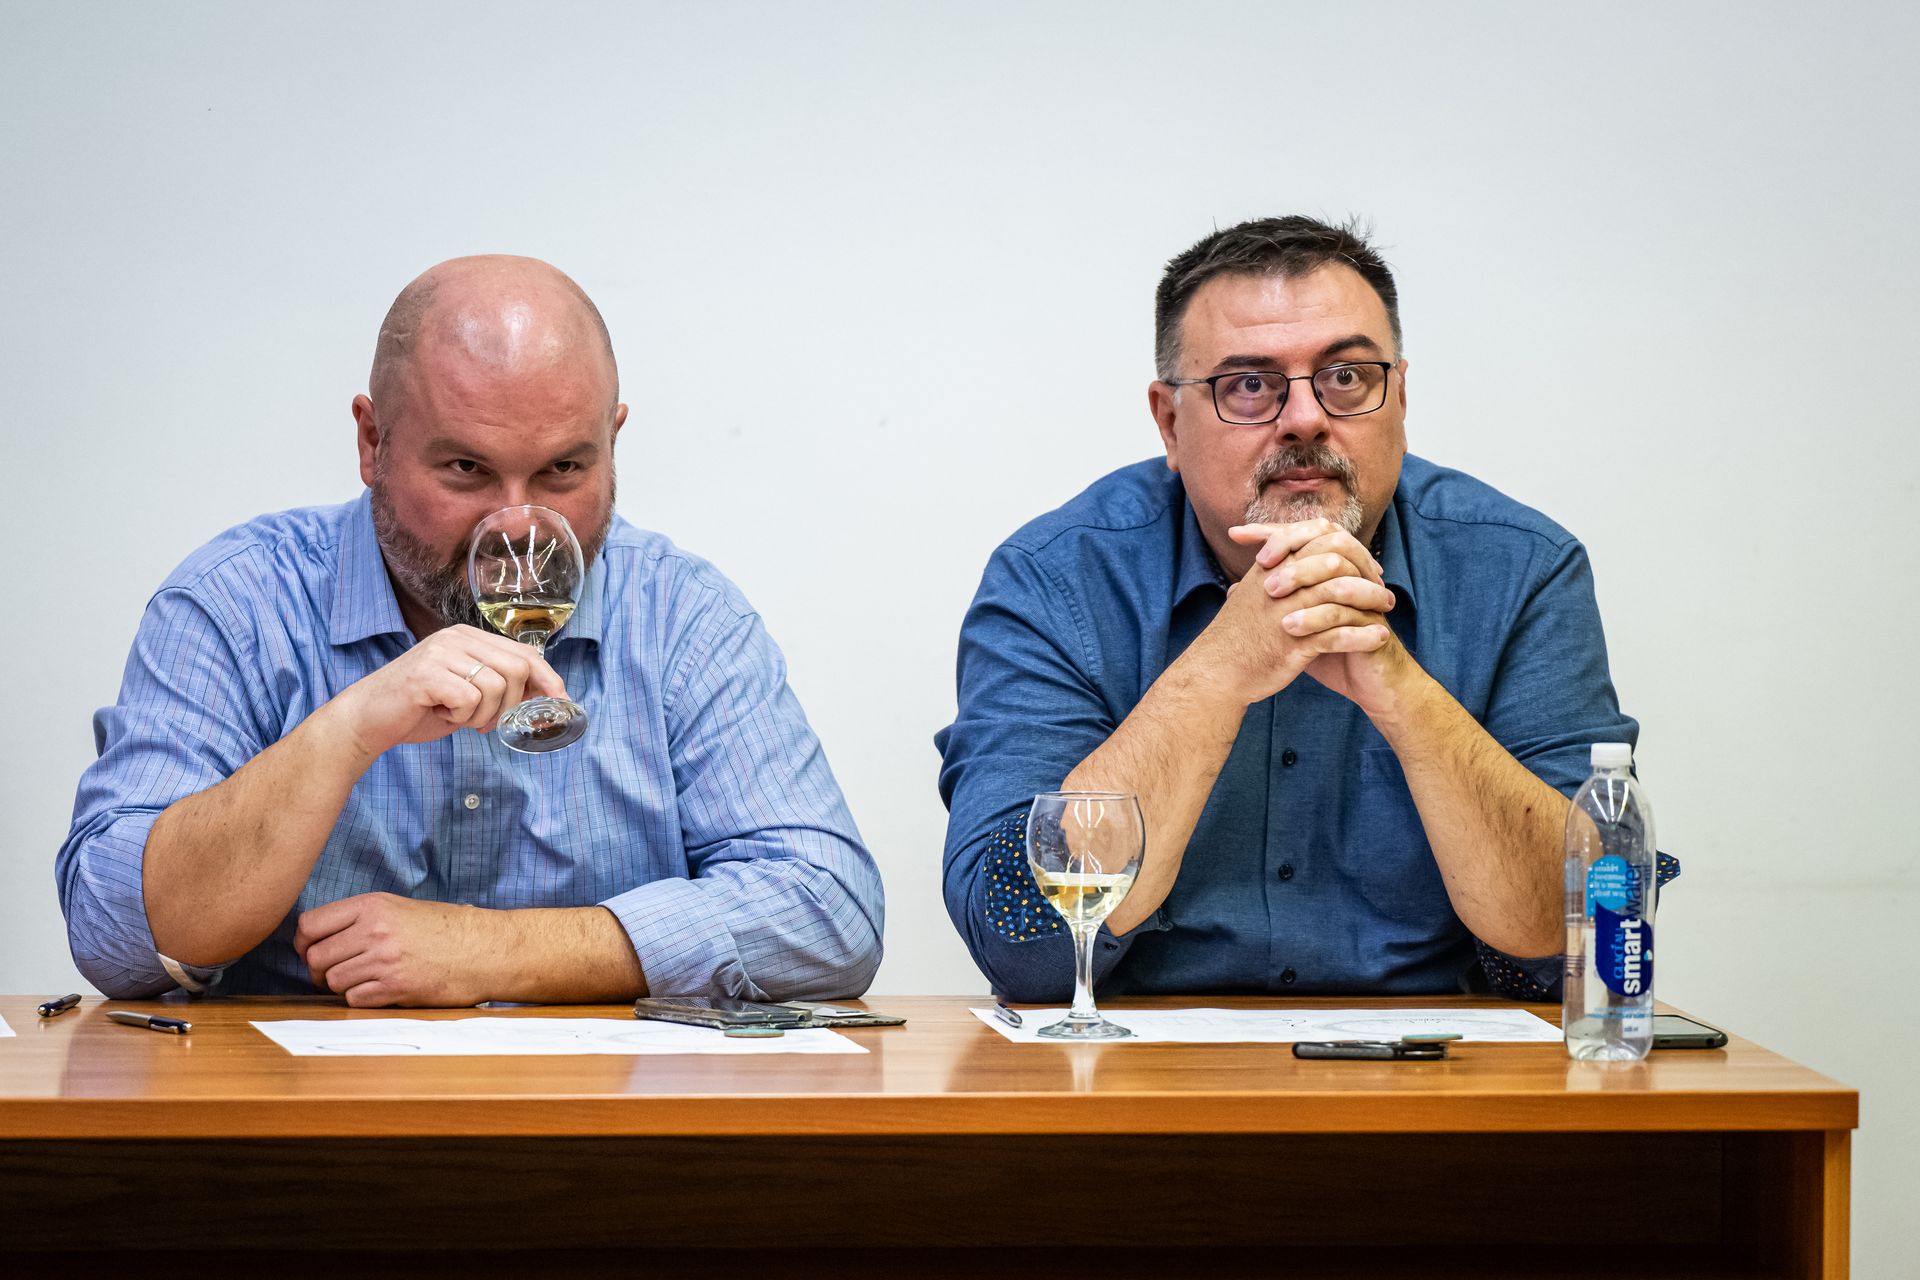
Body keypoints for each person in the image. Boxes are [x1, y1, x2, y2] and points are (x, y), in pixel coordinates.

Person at [59, 256, 883, 1005]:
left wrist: (498, 951)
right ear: (372, 442)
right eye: (466, 470)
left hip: (596, 1115)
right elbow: (111, 935)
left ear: (613, 442)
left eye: (564, 469)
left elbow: (830, 911)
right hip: (300, 1115)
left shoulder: (682, 617)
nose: (519, 527)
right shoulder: (238, 603)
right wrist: (344, 732)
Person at [937, 215, 1659, 1002]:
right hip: (1134, 1067)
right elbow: (1023, 944)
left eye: (1346, 377)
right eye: (1249, 385)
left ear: (1400, 398)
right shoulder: (1055, 579)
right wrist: (1219, 668)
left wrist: (1404, 693)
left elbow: (1586, 937)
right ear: (1170, 422)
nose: (1307, 418)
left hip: (1439, 1067)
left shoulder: (1521, 570)